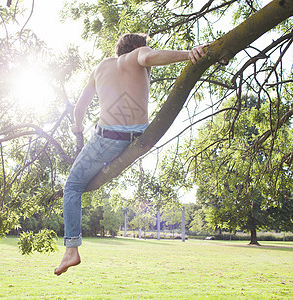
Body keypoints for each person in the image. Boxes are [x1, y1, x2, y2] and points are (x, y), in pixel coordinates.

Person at [54, 33, 208, 275]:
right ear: (136, 47)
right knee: (75, 186)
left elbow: (80, 107)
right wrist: (188, 54)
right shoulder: (138, 54)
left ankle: (71, 249)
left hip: (107, 139)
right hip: (139, 136)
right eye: (145, 47)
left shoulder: (101, 67)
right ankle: (72, 249)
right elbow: (150, 56)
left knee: (71, 187)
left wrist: (77, 126)